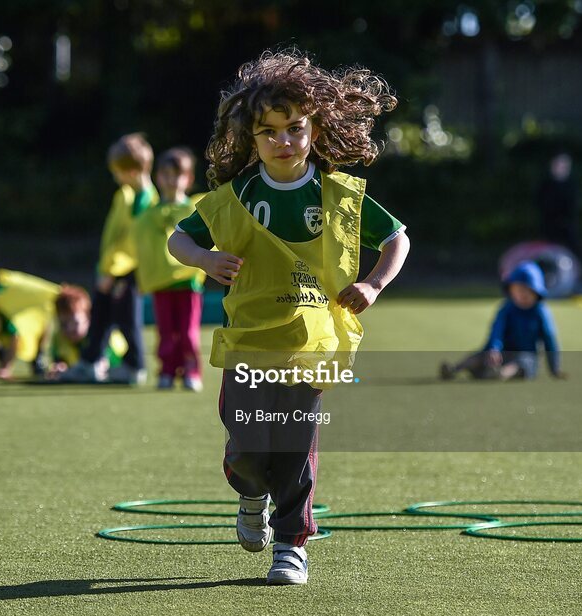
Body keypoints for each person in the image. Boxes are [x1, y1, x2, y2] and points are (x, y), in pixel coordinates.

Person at [168, 49, 410, 585]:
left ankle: (293, 543)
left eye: (294, 128)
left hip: (312, 344)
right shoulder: (236, 197)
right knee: (250, 444)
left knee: (296, 442)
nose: (283, 141)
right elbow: (179, 237)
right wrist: (205, 258)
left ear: (315, 129)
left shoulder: (338, 196)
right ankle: (250, 493)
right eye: (269, 131)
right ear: (249, 138)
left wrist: (373, 282)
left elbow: (398, 237)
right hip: (249, 342)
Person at [57, 133, 157, 384]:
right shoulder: (126, 195)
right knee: (100, 315)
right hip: (110, 269)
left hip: (125, 271)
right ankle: (90, 362)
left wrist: (111, 272)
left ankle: (135, 367)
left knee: (127, 318)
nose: (115, 177)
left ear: (132, 171)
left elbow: (131, 243)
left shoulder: (145, 201)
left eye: (118, 171)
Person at [132, 147, 207, 391]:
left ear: (189, 178)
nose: (171, 180)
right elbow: (142, 248)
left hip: (188, 283)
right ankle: (167, 371)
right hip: (161, 285)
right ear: (157, 177)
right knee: (165, 333)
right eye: (165, 174)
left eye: (177, 174)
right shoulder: (149, 214)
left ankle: (191, 372)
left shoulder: (196, 209)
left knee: (187, 333)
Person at [440, 261, 565, 381]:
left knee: (521, 363)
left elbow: (550, 339)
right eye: (519, 290)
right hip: (502, 352)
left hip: (526, 355)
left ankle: (500, 374)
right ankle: (454, 369)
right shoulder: (506, 309)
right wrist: (494, 349)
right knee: (479, 356)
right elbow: (497, 331)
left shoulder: (541, 312)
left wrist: (554, 368)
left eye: (528, 291)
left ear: (537, 292)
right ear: (511, 290)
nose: (523, 295)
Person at [536, 151, 582, 263]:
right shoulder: (545, 184)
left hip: (567, 227)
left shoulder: (572, 185)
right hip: (548, 227)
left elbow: (574, 207)